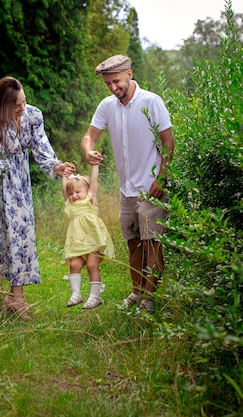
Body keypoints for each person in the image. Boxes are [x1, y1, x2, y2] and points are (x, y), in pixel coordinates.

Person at [0, 76, 75, 321]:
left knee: (23, 237)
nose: (22, 107)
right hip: (2, 187)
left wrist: (57, 166)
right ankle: (14, 297)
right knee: (7, 239)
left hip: (22, 185)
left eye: (24, 101)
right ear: (4, 105)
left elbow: (42, 147)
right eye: (17, 105)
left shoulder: (33, 116)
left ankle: (14, 296)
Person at [81, 54, 175, 312]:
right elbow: (89, 136)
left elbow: (168, 141)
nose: (113, 88)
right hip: (126, 190)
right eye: (108, 84)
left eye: (117, 81)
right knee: (133, 242)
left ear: (130, 74)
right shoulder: (107, 106)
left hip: (151, 188)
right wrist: (89, 150)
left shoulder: (151, 101)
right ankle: (136, 292)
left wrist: (161, 178)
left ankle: (150, 298)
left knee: (152, 243)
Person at [61, 164, 115, 309]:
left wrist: (95, 166)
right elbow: (65, 190)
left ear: (87, 191)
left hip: (93, 240)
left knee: (92, 265)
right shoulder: (70, 204)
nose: (74, 196)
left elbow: (94, 181)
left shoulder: (91, 199)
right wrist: (65, 176)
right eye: (71, 194)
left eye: (78, 192)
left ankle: (94, 297)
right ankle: (76, 294)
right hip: (77, 242)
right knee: (74, 265)